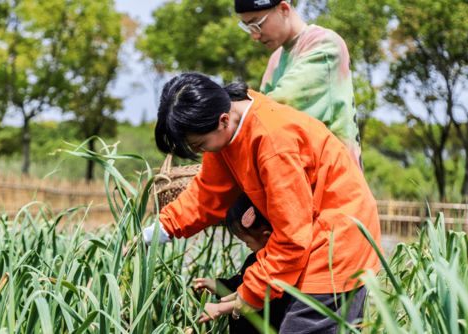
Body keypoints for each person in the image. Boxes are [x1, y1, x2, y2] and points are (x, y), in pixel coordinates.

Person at [143, 72, 382, 333]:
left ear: (223, 120)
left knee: (299, 327)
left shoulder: (273, 141)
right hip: (307, 235)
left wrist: (252, 292)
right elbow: (208, 191)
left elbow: (292, 237)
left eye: (200, 145)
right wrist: (155, 234)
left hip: (338, 241)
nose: (202, 153)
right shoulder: (227, 132)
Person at [234, 0, 362, 168]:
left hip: (336, 178)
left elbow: (275, 107)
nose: (255, 35)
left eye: (257, 24)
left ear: (283, 9)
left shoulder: (324, 45)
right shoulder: (276, 60)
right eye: (248, 27)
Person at [194, 193, 290, 332]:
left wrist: (219, 309)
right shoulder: (253, 259)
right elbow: (242, 285)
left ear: (266, 236)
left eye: (247, 241)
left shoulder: (279, 267)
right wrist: (217, 285)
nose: (246, 245)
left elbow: (259, 299)